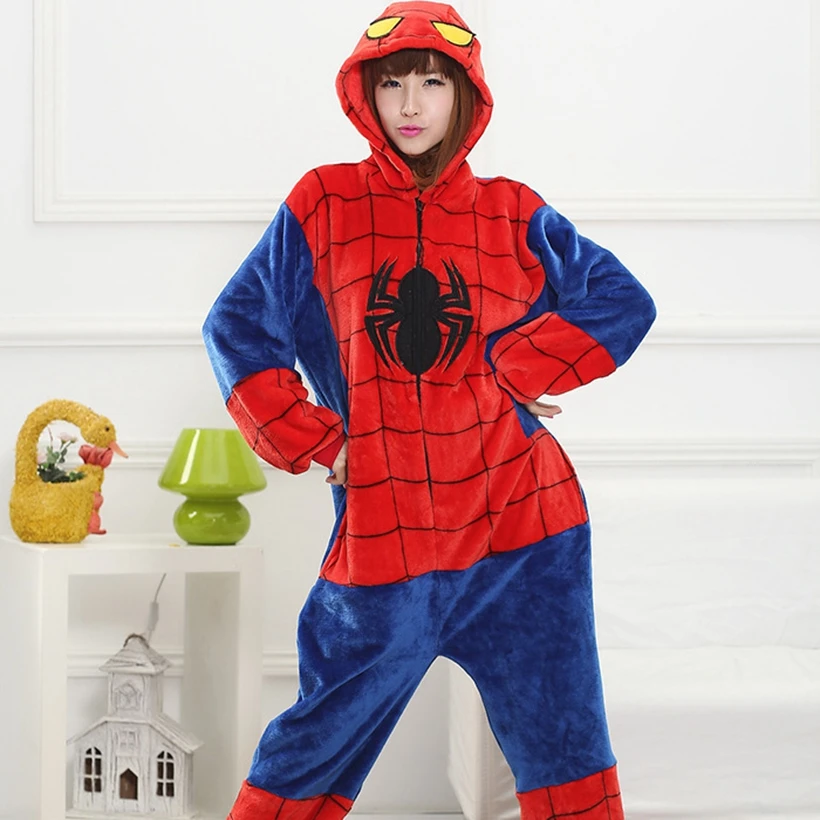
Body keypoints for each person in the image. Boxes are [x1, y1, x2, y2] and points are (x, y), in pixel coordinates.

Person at [203, 3, 656, 818]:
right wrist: (321, 440)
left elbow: (623, 300)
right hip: (387, 531)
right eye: (392, 85)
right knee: (311, 745)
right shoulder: (324, 203)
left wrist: (513, 367)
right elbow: (236, 327)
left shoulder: (512, 211)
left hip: (523, 528)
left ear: (465, 95)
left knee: (567, 752)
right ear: (364, 95)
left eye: (432, 84)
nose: (410, 105)